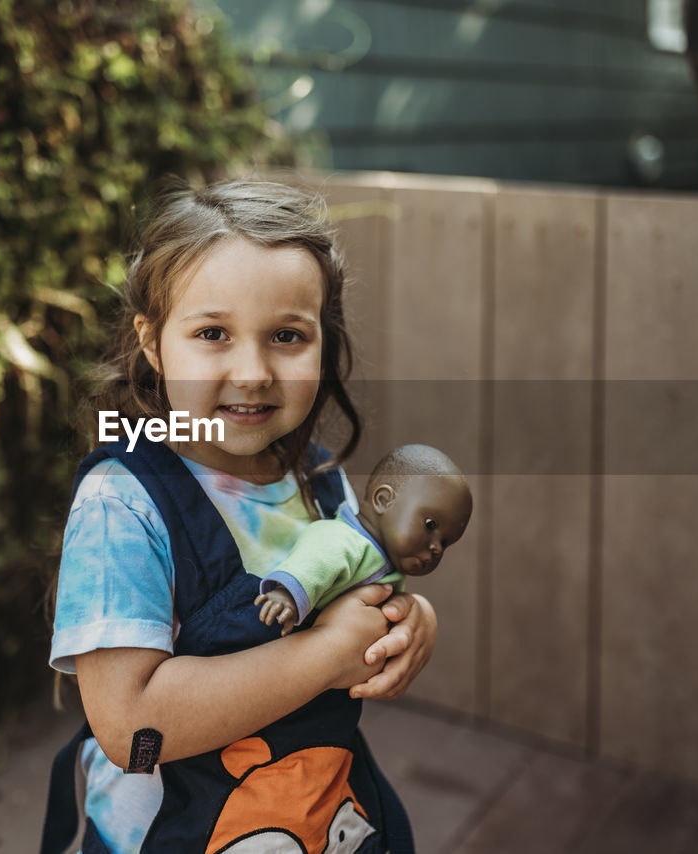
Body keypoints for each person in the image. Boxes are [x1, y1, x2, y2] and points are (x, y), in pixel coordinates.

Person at [43, 179, 438, 854]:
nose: (253, 371)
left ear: (323, 339)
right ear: (154, 343)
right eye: (213, 334)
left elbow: (367, 593)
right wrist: (326, 653)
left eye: (287, 335)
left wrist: (410, 625)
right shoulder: (121, 504)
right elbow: (130, 730)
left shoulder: (318, 478)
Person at [255, 444, 472, 637]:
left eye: (445, 543)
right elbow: (311, 563)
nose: (436, 548)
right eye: (430, 525)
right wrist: (288, 595)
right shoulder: (342, 540)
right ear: (384, 500)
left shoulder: (387, 564)